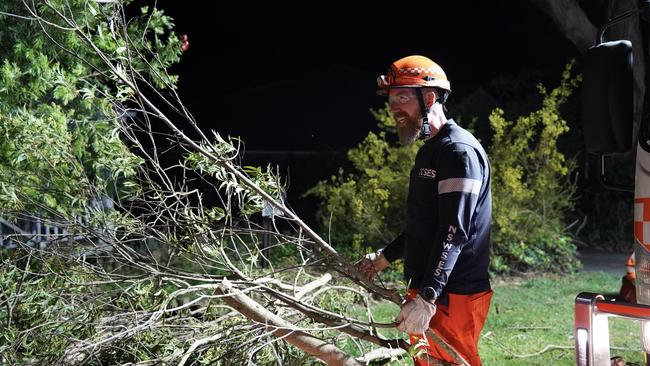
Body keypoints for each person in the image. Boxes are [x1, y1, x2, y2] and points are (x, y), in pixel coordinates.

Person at [357, 55, 493, 365]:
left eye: (401, 96)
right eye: (391, 98)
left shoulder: (459, 152)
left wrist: (428, 298)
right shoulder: (432, 150)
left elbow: (453, 230)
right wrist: (384, 258)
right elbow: (426, 224)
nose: (393, 107)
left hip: (452, 293)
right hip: (431, 289)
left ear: (429, 97)